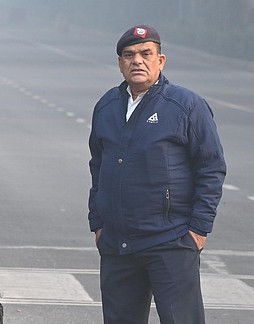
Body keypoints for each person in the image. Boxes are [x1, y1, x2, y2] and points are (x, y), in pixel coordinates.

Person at [88, 25, 226, 324]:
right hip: (118, 245)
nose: (137, 61)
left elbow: (211, 168)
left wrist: (198, 231)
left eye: (145, 54)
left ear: (160, 61)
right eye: (129, 55)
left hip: (171, 242)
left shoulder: (186, 106)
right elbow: (97, 165)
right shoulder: (107, 106)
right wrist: (98, 223)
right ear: (120, 63)